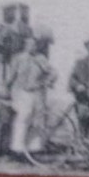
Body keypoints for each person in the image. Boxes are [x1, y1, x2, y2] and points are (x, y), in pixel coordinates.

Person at [7, 34, 55, 165]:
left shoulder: (41, 59)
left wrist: (47, 81)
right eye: (28, 44)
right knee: (23, 118)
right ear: (24, 45)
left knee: (36, 121)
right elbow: (11, 76)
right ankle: (17, 150)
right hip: (21, 92)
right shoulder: (18, 58)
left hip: (37, 92)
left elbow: (52, 73)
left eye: (34, 44)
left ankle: (33, 150)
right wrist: (6, 88)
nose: (31, 47)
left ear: (37, 46)